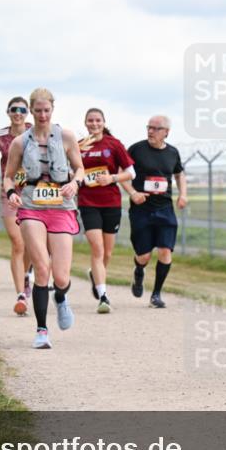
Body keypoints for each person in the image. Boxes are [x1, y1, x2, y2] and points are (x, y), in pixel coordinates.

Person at [2, 87, 85, 349]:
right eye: (36, 110)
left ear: (52, 110)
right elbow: (8, 175)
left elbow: (80, 168)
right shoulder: (20, 142)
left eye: (46, 110)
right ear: (30, 111)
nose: (41, 115)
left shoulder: (67, 137)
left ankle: (60, 297)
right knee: (41, 268)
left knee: (60, 277)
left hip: (61, 206)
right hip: (31, 206)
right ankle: (41, 331)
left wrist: (75, 183)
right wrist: (10, 192)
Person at [123, 115, 187, 309]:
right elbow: (122, 172)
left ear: (166, 132)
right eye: (148, 127)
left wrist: (183, 194)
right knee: (144, 256)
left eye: (156, 128)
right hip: (141, 208)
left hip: (165, 208)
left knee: (165, 250)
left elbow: (179, 173)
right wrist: (133, 193)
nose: (150, 131)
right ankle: (139, 270)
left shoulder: (173, 153)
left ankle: (156, 294)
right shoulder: (136, 149)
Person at [77, 108, 134, 313]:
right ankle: (103, 296)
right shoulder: (79, 146)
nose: (94, 124)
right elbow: (72, 170)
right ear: (85, 123)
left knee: (107, 253)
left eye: (98, 120)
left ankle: (96, 275)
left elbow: (130, 173)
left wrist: (112, 178)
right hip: (87, 202)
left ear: (103, 122)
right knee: (97, 249)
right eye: (90, 120)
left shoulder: (113, 144)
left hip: (111, 203)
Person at [0, 97, 34, 315]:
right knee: (17, 243)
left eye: (22, 110)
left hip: (33, 193)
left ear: (28, 112)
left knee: (28, 243)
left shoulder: (36, 132)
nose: (18, 113)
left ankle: (26, 274)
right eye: (14, 109)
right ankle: (20, 295)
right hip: (10, 193)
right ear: (8, 112)